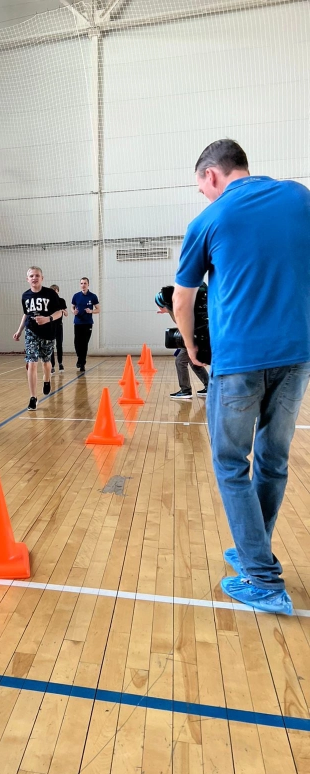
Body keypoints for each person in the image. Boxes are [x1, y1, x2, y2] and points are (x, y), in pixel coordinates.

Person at [173, 138, 310, 615]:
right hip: (297, 355)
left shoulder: (208, 220)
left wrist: (192, 347)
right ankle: (256, 549)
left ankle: (263, 579)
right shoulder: (299, 196)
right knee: (273, 459)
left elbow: (182, 299)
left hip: (238, 362)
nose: (203, 195)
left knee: (231, 462)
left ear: (212, 175)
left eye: (201, 187)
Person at [13, 267, 63, 410]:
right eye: (31, 276)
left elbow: (59, 312)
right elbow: (26, 314)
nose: (34, 278)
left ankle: (47, 380)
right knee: (32, 362)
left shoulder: (50, 294)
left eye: (37, 275)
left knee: (46, 361)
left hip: (48, 332)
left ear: (42, 278)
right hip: (31, 332)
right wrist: (19, 330)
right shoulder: (25, 296)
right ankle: (33, 397)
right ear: (27, 279)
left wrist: (47, 319)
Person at [155, 284, 209, 400]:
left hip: (194, 337)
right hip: (194, 336)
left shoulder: (177, 310)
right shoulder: (174, 308)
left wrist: (187, 345)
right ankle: (209, 386)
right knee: (194, 362)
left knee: (180, 361)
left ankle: (185, 390)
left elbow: (186, 326)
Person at [71, 277, 99, 371]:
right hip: (78, 323)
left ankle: (82, 363)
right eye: (82, 283)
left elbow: (98, 309)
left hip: (87, 323)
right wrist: (73, 311)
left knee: (84, 343)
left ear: (88, 285)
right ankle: (80, 358)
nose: (83, 285)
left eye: (85, 283)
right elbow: (72, 307)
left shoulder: (93, 296)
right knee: (77, 343)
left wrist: (91, 311)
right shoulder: (76, 296)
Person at [49, 284, 68, 373]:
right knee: (51, 346)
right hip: (50, 326)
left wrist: (62, 311)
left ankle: (60, 363)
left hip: (59, 325)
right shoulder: (48, 302)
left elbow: (66, 314)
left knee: (59, 345)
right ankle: (52, 365)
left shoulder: (61, 301)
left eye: (55, 291)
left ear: (58, 291)